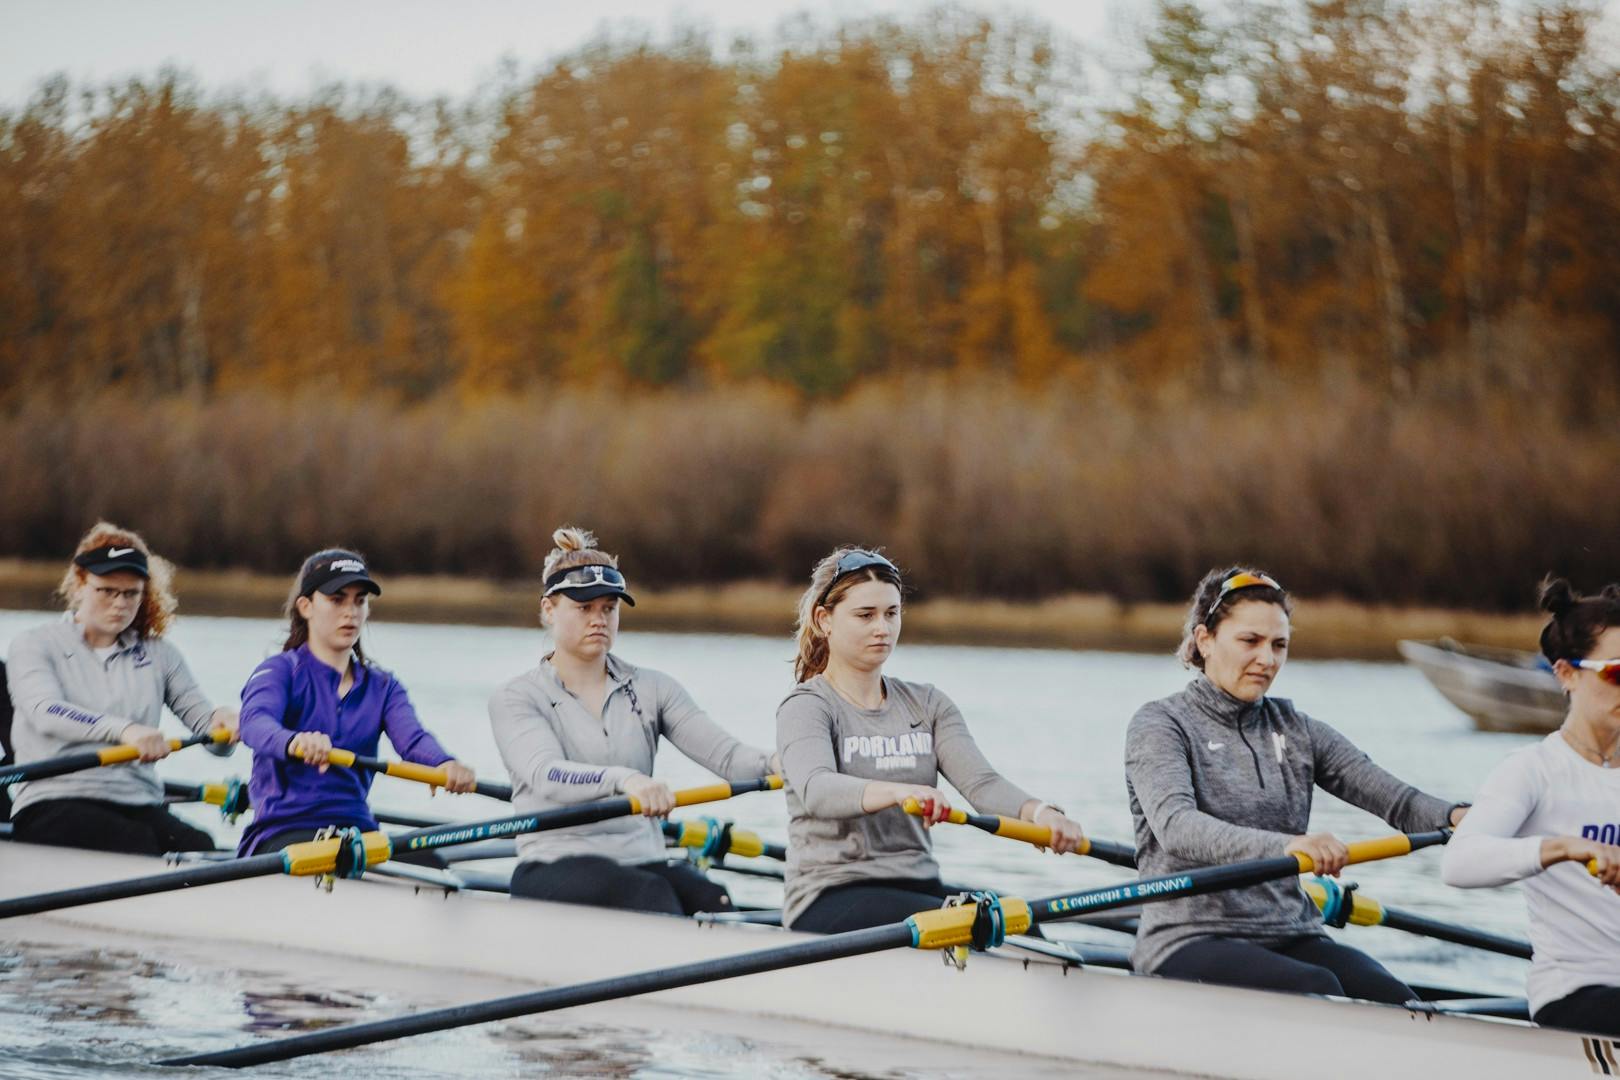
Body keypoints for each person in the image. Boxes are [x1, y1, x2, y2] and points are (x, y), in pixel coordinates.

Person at [1125, 566, 1468, 1002]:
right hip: (1187, 937)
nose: (1267, 659)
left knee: (1396, 999)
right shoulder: (1161, 723)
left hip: (1291, 930)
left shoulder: (1298, 730)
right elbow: (1177, 827)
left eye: (1278, 645)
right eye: (1250, 641)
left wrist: (1459, 816)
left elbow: (1396, 800)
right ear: (1204, 640)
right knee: (1317, 988)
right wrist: (1287, 847)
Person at [776, 547, 1085, 933]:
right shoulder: (807, 706)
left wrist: (1042, 814)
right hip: (829, 896)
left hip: (915, 884)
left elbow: (982, 784)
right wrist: (900, 792)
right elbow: (817, 790)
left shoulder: (927, 703)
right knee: (982, 925)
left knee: (1017, 921)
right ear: (825, 620)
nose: (882, 628)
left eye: (892, 613)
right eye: (865, 615)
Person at [490, 527, 774, 916]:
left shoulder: (653, 688)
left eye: (609, 608)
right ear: (549, 609)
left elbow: (727, 756)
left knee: (713, 898)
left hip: (642, 861)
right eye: (584, 608)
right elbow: (545, 774)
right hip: (553, 865)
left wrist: (779, 763)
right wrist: (625, 779)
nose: (599, 619)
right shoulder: (517, 696)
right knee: (649, 896)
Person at [1442, 578, 1620, 1035]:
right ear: (1566, 674)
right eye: (1616, 671)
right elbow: (1459, 863)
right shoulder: (1532, 770)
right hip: (1576, 992)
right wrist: (1562, 848)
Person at [4, 522, 237, 854]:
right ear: (80, 584)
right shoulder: (35, 644)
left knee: (201, 846)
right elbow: (45, 711)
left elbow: (209, 731)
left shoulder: (160, 655)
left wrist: (224, 723)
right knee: (135, 842)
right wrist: (125, 731)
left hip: (137, 800)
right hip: (54, 803)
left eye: (131, 594)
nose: (120, 604)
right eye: (107, 591)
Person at [236, 549, 475, 862]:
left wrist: (444, 764)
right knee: (341, 859)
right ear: (306, 607)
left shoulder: (383, 686)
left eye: (359, 600)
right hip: (282, 833)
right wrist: (295, 741)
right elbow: (254, 723)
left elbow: (413, 739)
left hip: (356, 831)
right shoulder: (280, 671)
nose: (350, 612)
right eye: (337, 600)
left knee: (432, 865)